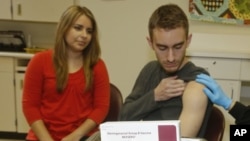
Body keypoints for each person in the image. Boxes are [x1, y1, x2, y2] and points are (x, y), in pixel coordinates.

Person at [118, 3, 213, 138]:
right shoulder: (150, 70)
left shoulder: (198, 80)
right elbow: (123, 117)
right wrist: (155, 96)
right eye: (162, 48)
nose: (170, 58)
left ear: (188, 41)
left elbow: (181, 139)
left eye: (178, 47)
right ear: (150, 43)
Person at [22, 5, 110, 141]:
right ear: (64, 28)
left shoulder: (98, 66)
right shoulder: (39, 61)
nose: (84, 35)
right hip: (43, 136)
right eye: (78, 28)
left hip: (83, 136)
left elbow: (101, 108)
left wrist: (75, 136)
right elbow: (30, 107)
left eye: (89, 31)